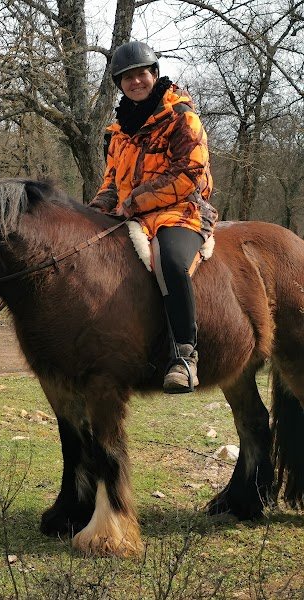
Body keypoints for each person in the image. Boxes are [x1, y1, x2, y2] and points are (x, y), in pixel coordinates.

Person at [89, 41, 218, 393]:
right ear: (120, 84)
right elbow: (112, 182)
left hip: (181, 210)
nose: (135, 82)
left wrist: (133, 202)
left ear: (154, 75)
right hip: (132, 212)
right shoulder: (117, 132)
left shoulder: (181, 117)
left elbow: (188, 173)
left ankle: (184, 356)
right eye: (126, 78)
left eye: (141, 74)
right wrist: (95, 210)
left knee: (171, 262)